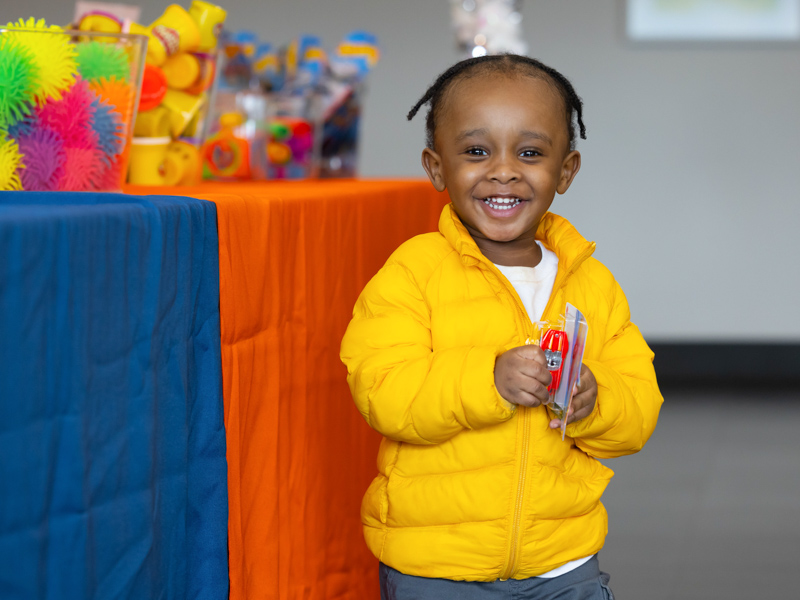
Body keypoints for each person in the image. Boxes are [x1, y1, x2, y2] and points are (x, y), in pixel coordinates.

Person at [340, 54, 662, 600]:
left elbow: (639, 411)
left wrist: (596, 398)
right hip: (436, 567)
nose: (504, 170)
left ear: (566, 171)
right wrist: (486, 380)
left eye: (531, 153)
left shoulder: (590, 282)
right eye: (476, 151)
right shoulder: (413, 273)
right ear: (437, 166)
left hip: (564, 561)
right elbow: (382, 392)